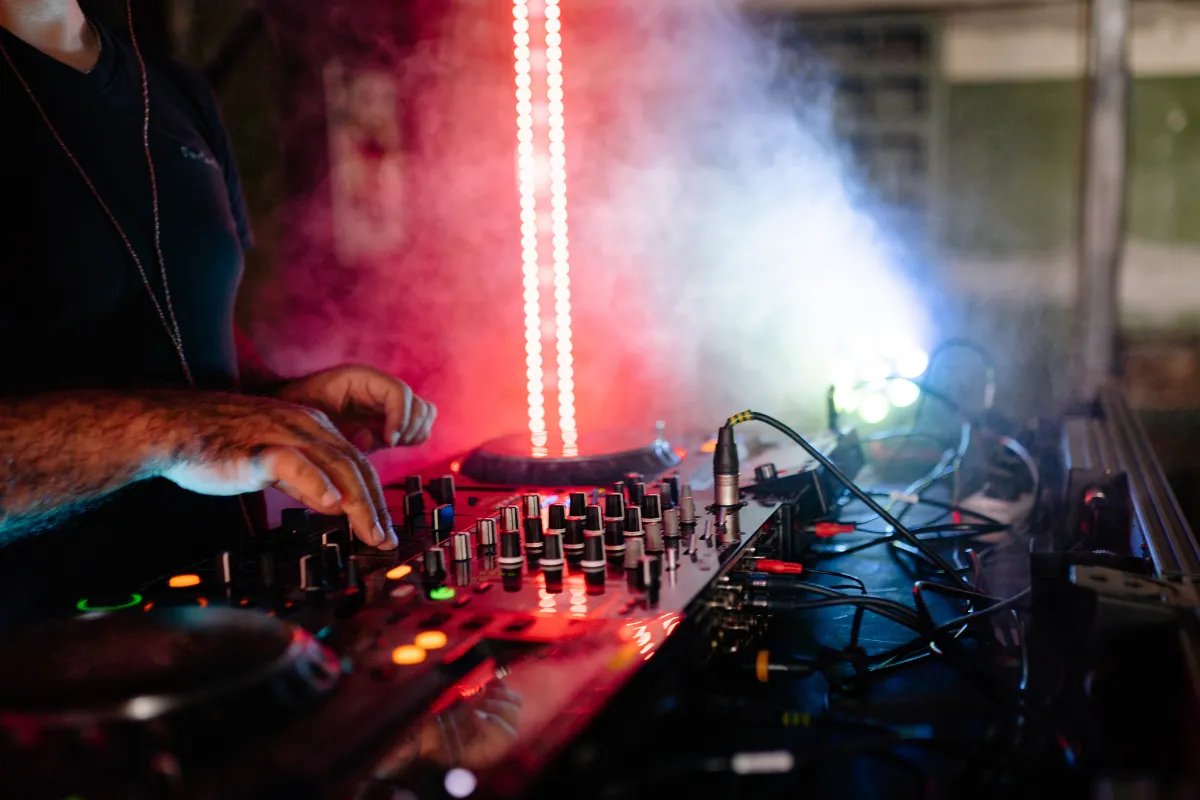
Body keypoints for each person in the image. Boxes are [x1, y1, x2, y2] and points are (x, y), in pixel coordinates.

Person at [0, 0, 433, 621]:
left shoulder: (176, 91)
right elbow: (185, 422)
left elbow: (190, 323)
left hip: (235, 631)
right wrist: (172, 430)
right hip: (40, 670)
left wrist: (275, 399)